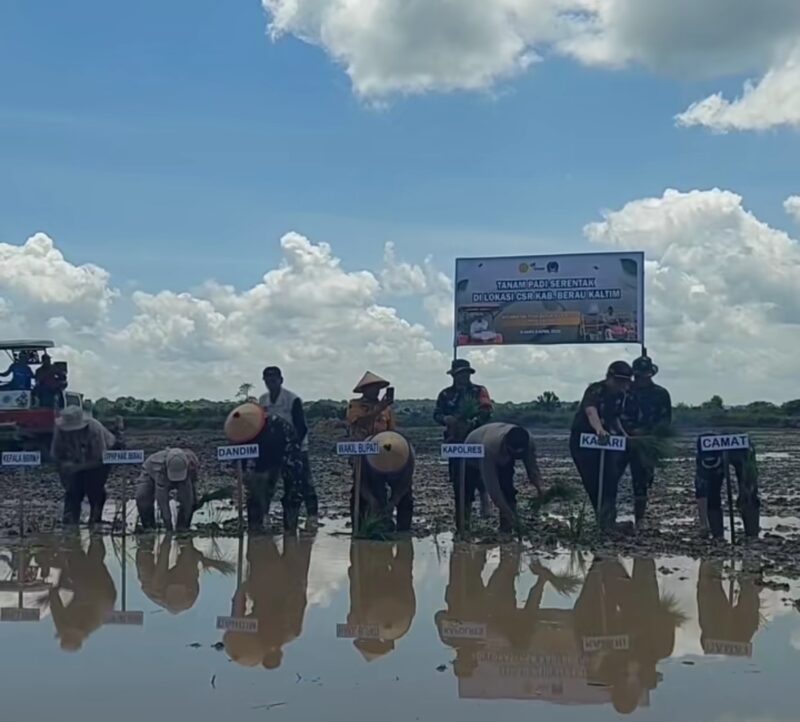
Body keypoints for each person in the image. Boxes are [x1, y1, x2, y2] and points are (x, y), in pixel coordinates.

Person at [224, 534, 315, 669]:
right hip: (269, 581)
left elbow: (300, 601)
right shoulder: (250, 640)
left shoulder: (292, 631)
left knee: (285, 538)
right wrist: (243, 588)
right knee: (263, 538)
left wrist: (243, 589)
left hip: (282, 581)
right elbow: (238, 608)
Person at [570, 361, 632, 530]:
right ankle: (602, 520)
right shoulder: (595, 390)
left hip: (607, 442)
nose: (621, 385)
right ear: (609, 377)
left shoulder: (621, 395)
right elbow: (591, 411)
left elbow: (615, 417)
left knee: (610, 479)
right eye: (618, 381)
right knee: (592, 481)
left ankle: (608, 520)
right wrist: (599, 429)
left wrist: (624, 435)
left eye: (625, 382)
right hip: (584, 440)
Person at [224, 402, 305, 533]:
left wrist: (290, 471)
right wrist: (240, 470)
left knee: (292, 494)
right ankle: (256, 530)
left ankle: (290, 532)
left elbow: (293, 450)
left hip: (285, 456)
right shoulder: (241, 426)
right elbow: (239, 451)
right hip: (260, 462)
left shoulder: (280, 425)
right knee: (256, 495)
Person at [434, 359, 493, 524]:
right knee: (458, 480)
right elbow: (437, 414)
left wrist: (472, 422)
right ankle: (462, 522)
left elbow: (487, 411)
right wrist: (447, 419)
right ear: (454, 375)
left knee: (479, 472)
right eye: (460, 374)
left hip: (476, 438)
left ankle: (484, 497)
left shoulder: (479, 391)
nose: (463, 377)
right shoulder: (445, 394)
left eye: (465, 374)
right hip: (455, 441)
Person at [259, 366, 318, 520]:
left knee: (303, 481)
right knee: (268, 482)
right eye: (267, 380)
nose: (271, 383)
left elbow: (302, 427)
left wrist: (294, 448)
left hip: (296, 446)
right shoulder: (263, 400)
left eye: (274, 380)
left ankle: (312, 516)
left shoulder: (292, 399)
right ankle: (264, 515)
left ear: (281, 380)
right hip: (273, 448)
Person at [464, 422, 543, 533]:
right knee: (466, 491)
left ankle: (506, 528)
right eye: (513, 453)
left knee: (507, 488)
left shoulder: (528, 441)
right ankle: (464, 528)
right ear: (506, 445)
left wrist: (541, 490)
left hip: (501, 454)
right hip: (472, 452)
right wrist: (509, 514)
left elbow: (532, 467)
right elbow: (493, 488)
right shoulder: (489, 447)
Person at [621, 356, 672, 527]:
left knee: (643, 480)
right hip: (622, 440)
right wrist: (628, 431)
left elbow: (665, 423)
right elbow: (614, 415)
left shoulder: (661, 394)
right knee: (611, 477)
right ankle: (607, 516)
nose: (641, 380)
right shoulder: (624, 392)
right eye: (638, 376)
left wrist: (647, 433)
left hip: (646, 443)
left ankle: (640, 519)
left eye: (644, 376)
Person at [346, 539, 415, 662]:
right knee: (365, 568)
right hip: (387, 600)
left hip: (397, 602)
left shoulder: (398, 631)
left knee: (402, 566)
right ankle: (401, 538)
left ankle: (402, 543)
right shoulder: (363, 627)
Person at [47, 535, 116, 652]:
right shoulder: (94, 621)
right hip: (101, 590)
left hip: (90, 590)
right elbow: (102, 600)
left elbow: (55, 605)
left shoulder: (64, 625)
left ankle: (78, 536)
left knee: (77, 557)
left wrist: (54, 590)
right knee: (92, 561)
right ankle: (94, 536)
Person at [50, 406, 117, 525]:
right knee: (73, 490)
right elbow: (56, 456)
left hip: (101, 457)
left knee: (94, 488)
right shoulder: (60, 430)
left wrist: (77, 468)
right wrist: (65, 471)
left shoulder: (94, 429)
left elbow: (100, 459)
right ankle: (70, 521)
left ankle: (95, 520)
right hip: (75, 458)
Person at [694, 434, 760, 540]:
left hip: (736, 440)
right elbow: (702, 486)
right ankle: (718, 535)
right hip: (713, 440)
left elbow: (701, 486)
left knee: (748, 491)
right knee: (712, 490)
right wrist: (703, 524)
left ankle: (752, 535)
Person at [355, 429, 415, 533]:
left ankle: (404, 530)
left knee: (406, 499)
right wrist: (371, 500)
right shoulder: (363, 456)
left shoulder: (407, 456)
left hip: (399, 475)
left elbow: (405, 484)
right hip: (374, 475)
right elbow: (360, 483)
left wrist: (394, 501)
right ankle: (369, 525)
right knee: (374, 497)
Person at [135, 447, 200, 532]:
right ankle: (149, 527)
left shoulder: (192, 464)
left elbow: (188, 499)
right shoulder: (158, 467)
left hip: (184, 477)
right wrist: (168, 526)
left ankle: (183, 526)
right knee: (142, 496)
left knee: (192, 501)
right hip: (151, 474)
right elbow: (162, 501)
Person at [346, 371, 396, 440]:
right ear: (364, 389)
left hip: (381, 445)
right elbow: (360, 423)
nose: (375, 391)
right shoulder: (355, 404)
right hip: (360, 444)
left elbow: (391, 431)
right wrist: (378, 409)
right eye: (371, 388)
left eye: (376, 388)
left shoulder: (386, 408)